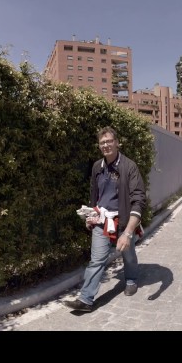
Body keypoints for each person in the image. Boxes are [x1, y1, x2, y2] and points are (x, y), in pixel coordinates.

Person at [65, 126, 146, 313]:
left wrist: (127, 232)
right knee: (97, 259)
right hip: (102, 220)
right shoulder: (97, 167)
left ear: (117, 143)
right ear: (99, 146)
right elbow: (95, 195)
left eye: (109, 141)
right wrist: (91, 216)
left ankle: (132, 279)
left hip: (124, 220)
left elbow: (138, 199)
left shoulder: (129, 167)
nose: (106, 145)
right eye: (102, 142)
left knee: (128, 253)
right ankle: (86, 300)